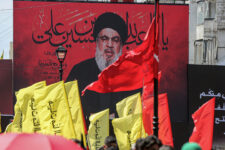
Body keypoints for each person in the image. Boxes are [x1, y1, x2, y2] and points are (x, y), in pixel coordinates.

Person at [66, 12, 141, 128]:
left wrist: (112, 117)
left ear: (121, 45)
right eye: (104, 38)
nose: (110, 44)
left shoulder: (131, 75)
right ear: (97, 41)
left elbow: (137, 109)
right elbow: (68, 104)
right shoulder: (80, 70)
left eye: (115, 40)